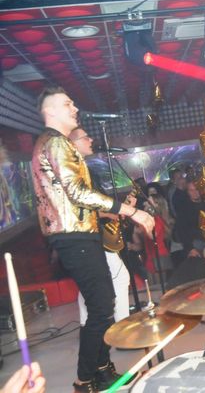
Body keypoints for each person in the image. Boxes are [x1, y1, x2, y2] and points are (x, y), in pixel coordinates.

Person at [31, 86, 154, 392]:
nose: (75, 108)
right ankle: (84, 380)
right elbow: (78, 193)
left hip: (78, 234)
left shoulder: (51, 143)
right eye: (67, 104)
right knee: (100, 307)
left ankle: (102, 370)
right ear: (50, 111)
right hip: (74, 237)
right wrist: (131, 211)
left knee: (103, 304)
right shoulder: (56, 142)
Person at [68, 128, 131, 325]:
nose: (91, 140)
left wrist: (116, 210)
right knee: (119, 278)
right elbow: (79, 207)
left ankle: (86, 324)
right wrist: (111, 213)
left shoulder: (83, 169)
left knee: (89, 284)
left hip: (89, 235)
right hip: (86, 236)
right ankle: (122, 328)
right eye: (85, 137)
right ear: (73, 144)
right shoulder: (73, 171)